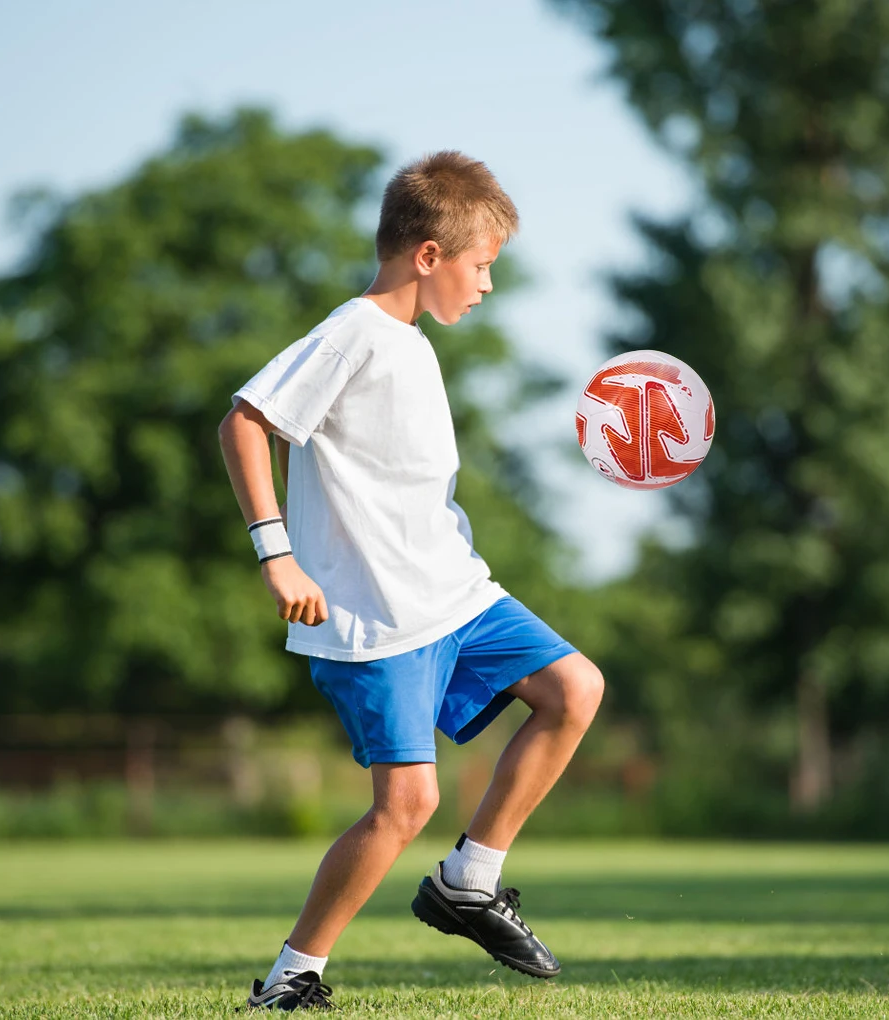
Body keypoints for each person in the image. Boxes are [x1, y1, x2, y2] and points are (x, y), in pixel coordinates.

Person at [218, 151, 604, 1012]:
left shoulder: (415, 345)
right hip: (373, 618)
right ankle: (291, 978)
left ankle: (471, 879)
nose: (489, 285)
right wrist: (277, 554)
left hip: (456, 595)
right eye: (482, 264)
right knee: (406, 804)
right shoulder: (351, 332)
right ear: (428, 255)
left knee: (575, 687)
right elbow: (245, 423)